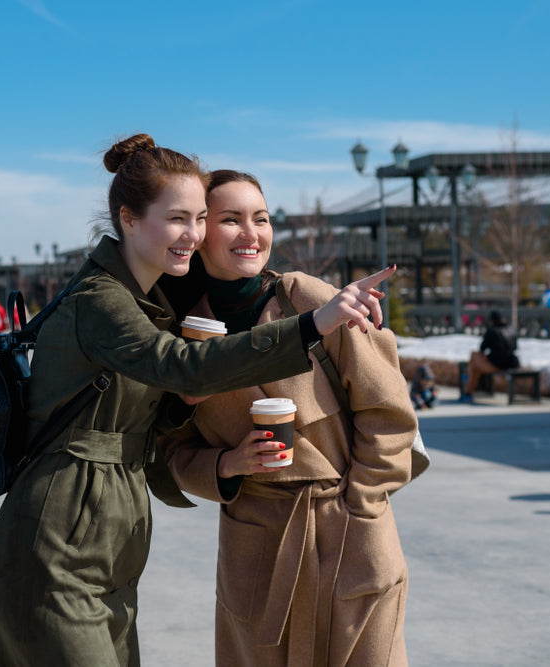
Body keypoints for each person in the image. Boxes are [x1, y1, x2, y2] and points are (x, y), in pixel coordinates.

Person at [0, 135, 395, 666]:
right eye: (178, 219)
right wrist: (314, 324)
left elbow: (158, 413)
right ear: (128, 219)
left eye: (199, 218)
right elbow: (179, 369)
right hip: (64, 533)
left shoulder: (150, 302)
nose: (192, 235)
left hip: (110, 537)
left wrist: (365, 504)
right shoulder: (103, 300)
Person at [158, 170, 416, 666]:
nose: (251, 233)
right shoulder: (181, 335)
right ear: (197, 232)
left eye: (261, 218)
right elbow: (169, 449)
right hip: (256, 547)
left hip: (348, 532)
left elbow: (390, 413)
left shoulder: (308, 299)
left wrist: (360, 507)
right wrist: (227, 466)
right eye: (230, 219)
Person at [459, 310, 520, 404]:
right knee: (474, 363)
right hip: (512, 362)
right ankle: (469, 390)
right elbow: (515, 347)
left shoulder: (492, 331)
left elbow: (482, 348)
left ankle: (468, 393)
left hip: (497, 364)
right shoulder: (513, 329)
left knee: (473, 362)